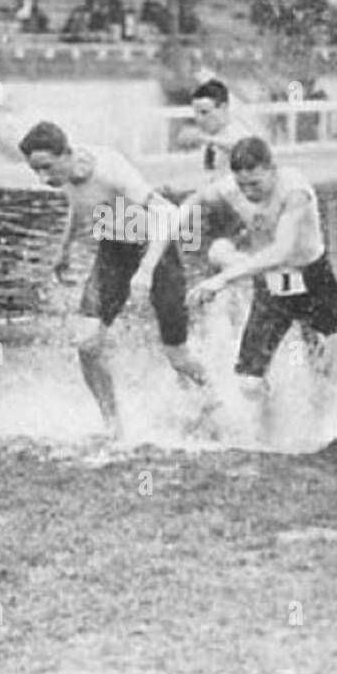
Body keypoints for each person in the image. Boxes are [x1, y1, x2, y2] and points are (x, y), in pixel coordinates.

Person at [18, 121, 210, 441]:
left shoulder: (111, 170)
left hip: (156, 250)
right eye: (35, 171)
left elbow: (169, 215)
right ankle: (113, 426)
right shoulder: (65, 172)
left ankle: (218, 398)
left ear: (66, 154)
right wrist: (64, 250)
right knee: (88, 344)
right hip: (114, 251)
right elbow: (77, 203)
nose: (42, 179)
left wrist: (146, 270)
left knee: (176, 354)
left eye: (46, 168)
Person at [181, 137, 337, 436]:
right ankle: (273, 435)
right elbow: (196, 200)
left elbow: (282, 250)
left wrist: (221, 279)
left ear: (272, 170)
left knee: (326, 369)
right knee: (249, 383)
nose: (249, 193)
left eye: (256, 184)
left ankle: (329, 429)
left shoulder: (295, 191)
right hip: (272, 288)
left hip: (313, 280)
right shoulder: (229, 188)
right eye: (243, 186)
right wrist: (176, 222)